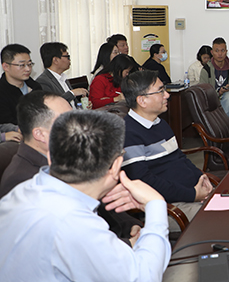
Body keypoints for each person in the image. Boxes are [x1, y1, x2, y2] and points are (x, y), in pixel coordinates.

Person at [0, 110, 170, 282]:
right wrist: (155, 204)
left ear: (50, 157)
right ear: (116, 166)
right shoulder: (70, 221)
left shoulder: (24, 191)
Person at [0, 91, 142, 243]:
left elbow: (103, 202)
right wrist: (127, 244)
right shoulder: (20, 180)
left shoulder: (67, 156)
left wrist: (131, 225)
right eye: (67, 122)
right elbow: (63, 241)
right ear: (39, 134)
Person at [121, 70, 213, 231]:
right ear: (142, 100)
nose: (167, 95)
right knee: (223, 219)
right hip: (168, 208)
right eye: (161, 91)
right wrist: (192, 194)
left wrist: (201, 178)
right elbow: (145, 183)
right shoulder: (128, 133)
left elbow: (179, 158)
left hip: (191, 194)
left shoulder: (160, 123)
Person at [199, 37, 229, 121]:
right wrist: (219, 92)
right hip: (212, 100)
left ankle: (224, 126)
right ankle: (223, 125)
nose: (220, 54)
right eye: (217, 51)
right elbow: (203, 93)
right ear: (212, 52)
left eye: (222, 51)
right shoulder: (206, 69)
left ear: (226, 52)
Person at [0, 44, 42, 127]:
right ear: (6, 66)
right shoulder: (2, 91)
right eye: (22, 65)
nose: (28, 69)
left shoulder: (35, 87)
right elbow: (6, 123)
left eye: (29, 64)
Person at [35, 42, 89, 106]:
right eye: (67, 56)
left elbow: (72, 103)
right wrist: (72, 93)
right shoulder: (43, 81)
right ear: (55, 60)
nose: (69, 60)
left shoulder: (63, 78)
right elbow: (51, 105)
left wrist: (82, 105)